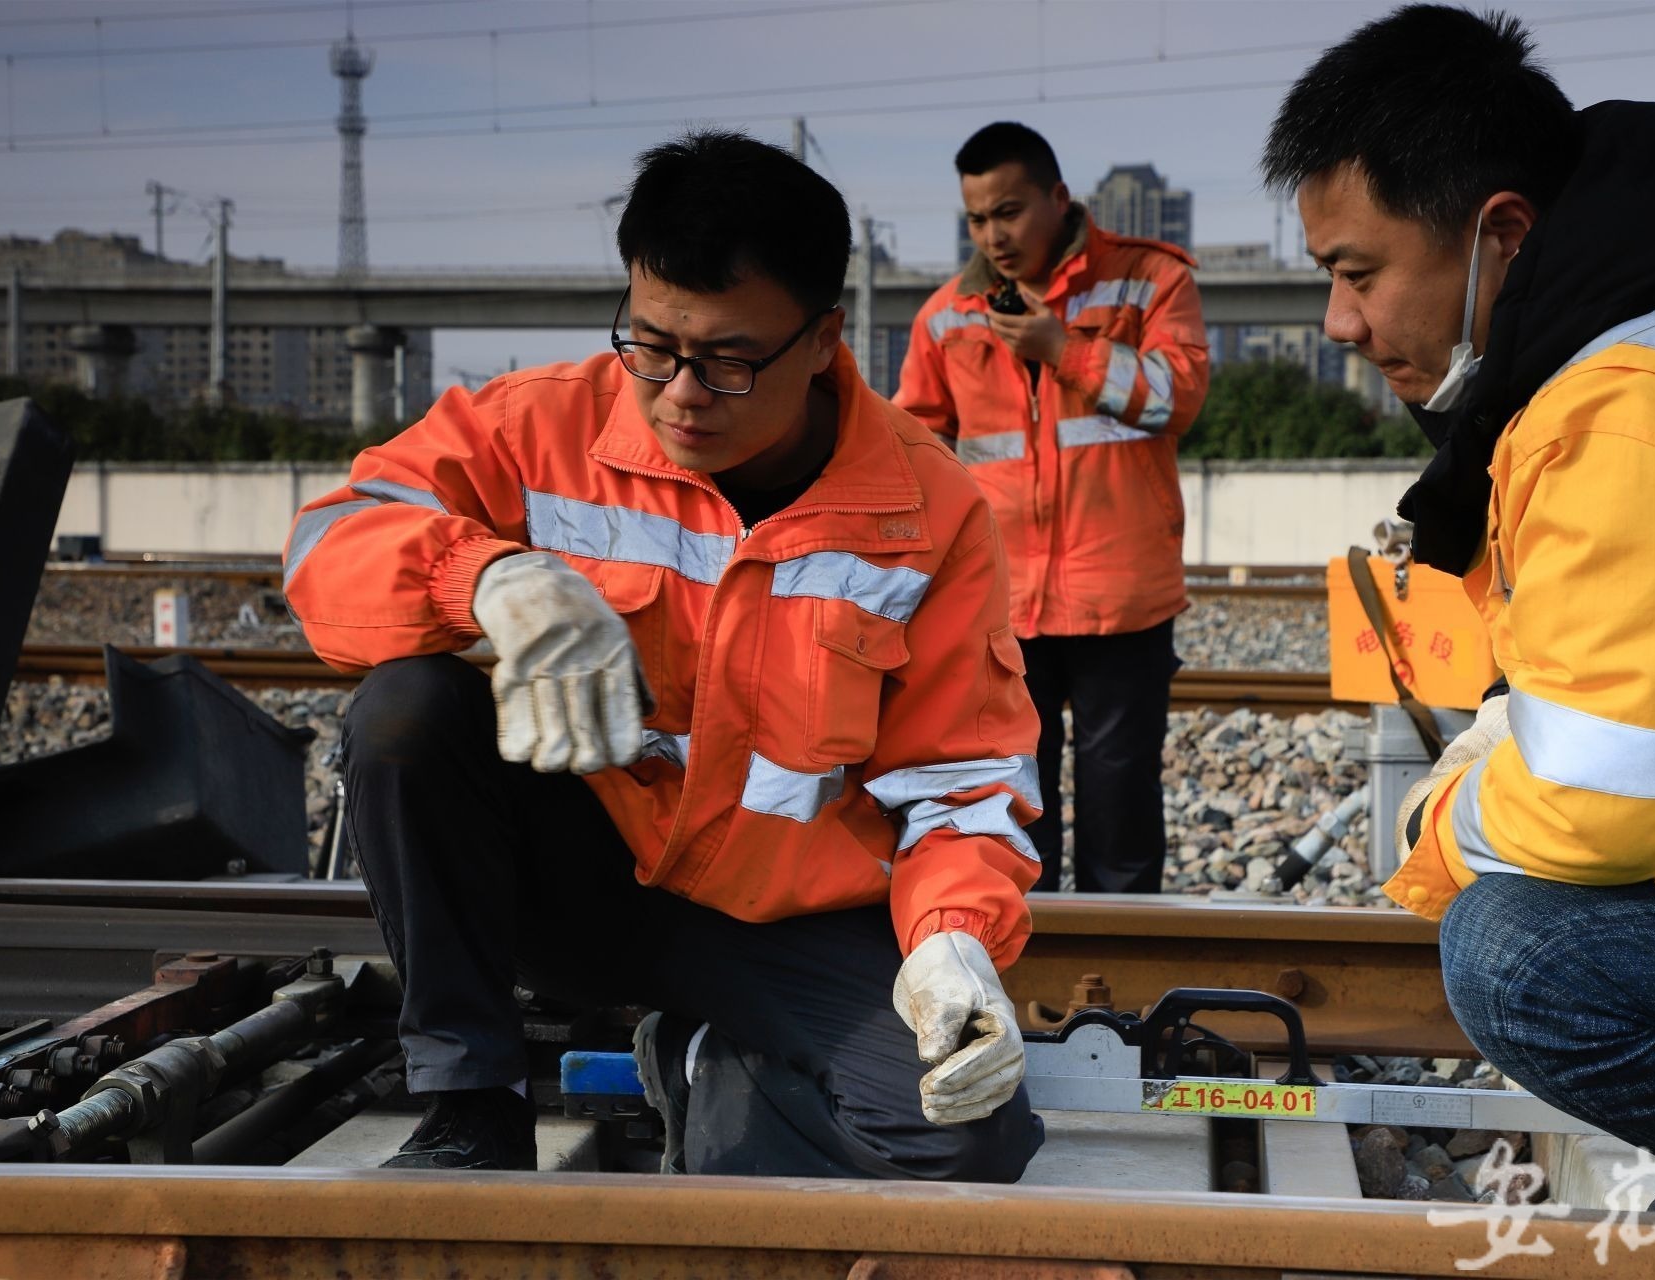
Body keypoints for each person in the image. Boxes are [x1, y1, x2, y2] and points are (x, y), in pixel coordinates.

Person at [283, 130, 1045, 1179]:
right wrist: (484, 578)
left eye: (730, 360)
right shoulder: (532, 427)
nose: (680, 392)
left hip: (770, 918)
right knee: (406, 711)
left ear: (823, 337)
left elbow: (963, 776)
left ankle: (700, 1062)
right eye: (649, 344)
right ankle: (473, 1104)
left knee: (966, 1135)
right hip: (567, 882)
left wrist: (954, 938)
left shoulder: (928, 509)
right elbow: (330, 543)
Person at [1263, 5, 1655, 1219]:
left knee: (1518, 953)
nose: (1339, 325)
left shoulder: (1630, 411)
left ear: (1498, 235)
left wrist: (1444, 815)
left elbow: (1604, 809)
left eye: (1359, 273)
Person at [895, 122, 1210, 894]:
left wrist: (1060, 347)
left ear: (1058, 199)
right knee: (1011, 807)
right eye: (976, 218)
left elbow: (1180, 397)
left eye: (1008, 211)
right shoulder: (947, 315)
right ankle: (1027, 973)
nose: (992, 235)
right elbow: (914, 453)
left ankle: (1122, 981)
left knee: (1122, 801)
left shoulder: (1149, 281)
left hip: (1121, 596)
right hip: (997, 602)